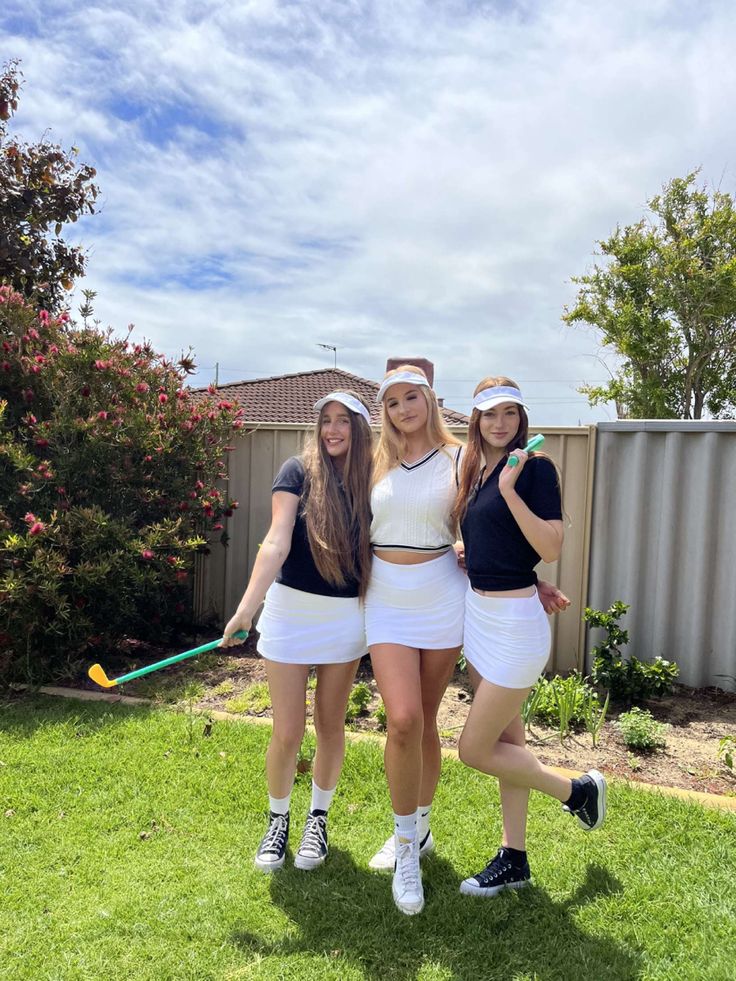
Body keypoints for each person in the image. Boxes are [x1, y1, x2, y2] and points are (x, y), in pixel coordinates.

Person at [453, 377, 606, 898]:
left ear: (522, 419)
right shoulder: (475, 470)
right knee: (506, 744)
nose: (500, 423)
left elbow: (552, 544)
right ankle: (514, 858)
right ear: (476, 419)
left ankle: (576, 791)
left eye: (510, 414)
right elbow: (495, 545)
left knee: (473, 749)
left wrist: (509, 494)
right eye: (490, 414)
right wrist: (465, 549)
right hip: (479, 617)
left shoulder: (532, 469)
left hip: (516, 627)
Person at [220, 391, 373, 873]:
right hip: (289, 613)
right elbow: (276, 538)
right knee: (287, 730)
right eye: (325, 420)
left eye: (343, 422)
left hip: (345, 617)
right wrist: (247, 607)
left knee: (330, 726)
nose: (332, 430)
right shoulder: (297, 471)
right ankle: (277, 821)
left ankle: (318, 820)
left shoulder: (374, 480)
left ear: (360, 429)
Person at [364, 364, 466, 915]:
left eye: (412, 398)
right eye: (394, 402)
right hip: (386, 597)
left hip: (441, 594)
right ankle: (405, 846)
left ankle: (421, 830)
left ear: (428, 399)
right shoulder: (375, 461)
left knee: (425, 718)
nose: (404, 409)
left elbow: (486, 522)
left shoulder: (458, 460)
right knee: (401, 719)